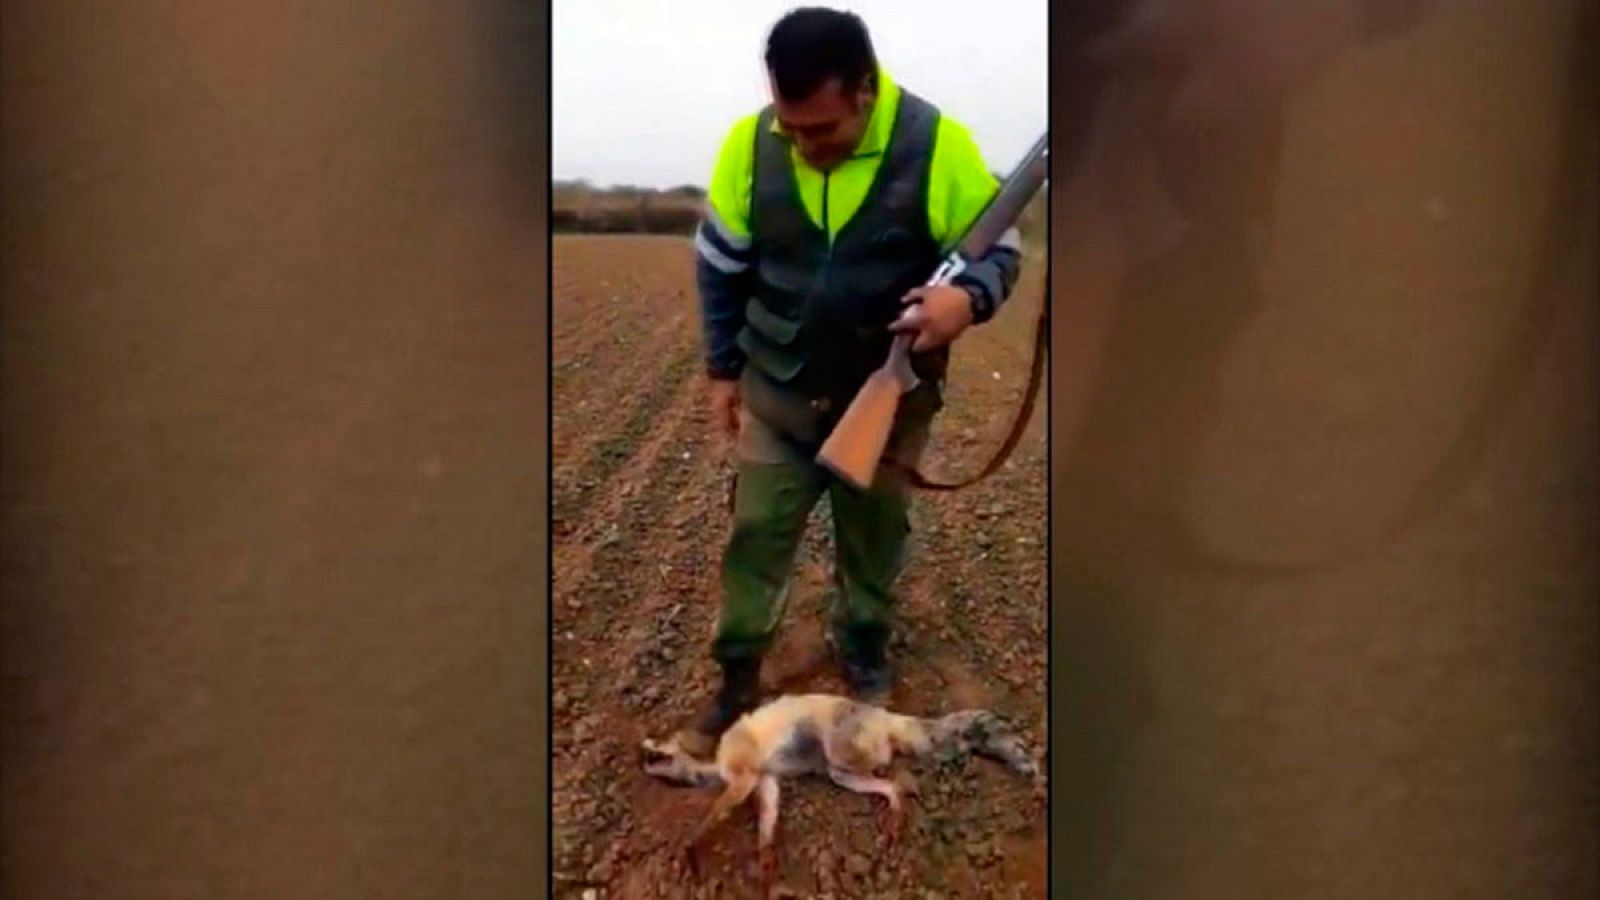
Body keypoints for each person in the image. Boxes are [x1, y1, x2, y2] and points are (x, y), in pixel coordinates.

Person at [679, 7, 1026, 755]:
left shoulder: (939, 146)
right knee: (757, 536)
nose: (801, 144)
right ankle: (738, 677)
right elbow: (720, 265)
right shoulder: (749, 144)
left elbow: (999, 253)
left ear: (865, 93)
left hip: (887, 396)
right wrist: (721, 368)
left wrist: (964, 300)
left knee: (872, 539)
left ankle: (863, 645)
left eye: (821, 130)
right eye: (790, 126)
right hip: (777, 392)